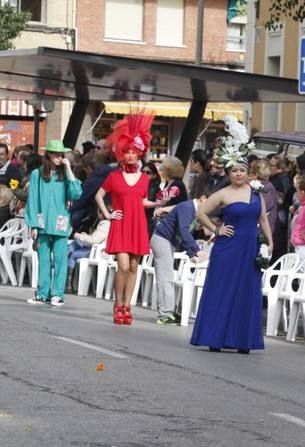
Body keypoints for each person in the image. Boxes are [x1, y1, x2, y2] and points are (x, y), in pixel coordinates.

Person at [190, 116, 272, 353]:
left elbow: (263, 219)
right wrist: (216, 230)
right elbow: (201, 212)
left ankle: (243, 340)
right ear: (228, 172)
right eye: (234, 170)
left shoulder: (256, 191)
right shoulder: (223, 193)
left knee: (247, 291)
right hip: (228, 247)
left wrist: (270, 241)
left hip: (250, 248)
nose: (238, 174)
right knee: (223, 289)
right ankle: (215, 337)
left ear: (248, 172)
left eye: (242, 170)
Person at [95, 112, 155, 325]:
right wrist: (108, 214)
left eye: (133, 152)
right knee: (122, 265)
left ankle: (127, 305)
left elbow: (142, 201)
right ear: (121, 153)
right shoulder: (114, 177)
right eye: (127, 152)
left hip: (138, 225)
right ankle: (117, 302)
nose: (130, 155)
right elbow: (98, 195)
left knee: (133, 266)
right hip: (120, 224)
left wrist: (159, 204)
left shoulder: (145, 179)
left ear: (139, 154)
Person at [25, 140, 82, 306]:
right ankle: (43, 293)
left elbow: (76, 194)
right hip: (43, 222)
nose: (59, 157)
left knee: (60, 259)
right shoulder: (38, 174)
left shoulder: (65, 175)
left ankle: (57, 294)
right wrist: (33, 224)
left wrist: (69, 169)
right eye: (56, 154)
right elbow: (33, 199)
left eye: (61, 154)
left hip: (61, 222)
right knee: (43, 259)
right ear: (48, 154)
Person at [151, 191, 209, 325]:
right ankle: (165, 314)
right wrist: (195, 251)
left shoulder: (192, 209)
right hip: (162, 239)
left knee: (167, 277)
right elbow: (184, 230)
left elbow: (183, 231)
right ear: (203, 197)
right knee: (165, 278)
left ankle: (168, 312)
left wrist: (191, 254)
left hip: (166, 241)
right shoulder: (188, 208)